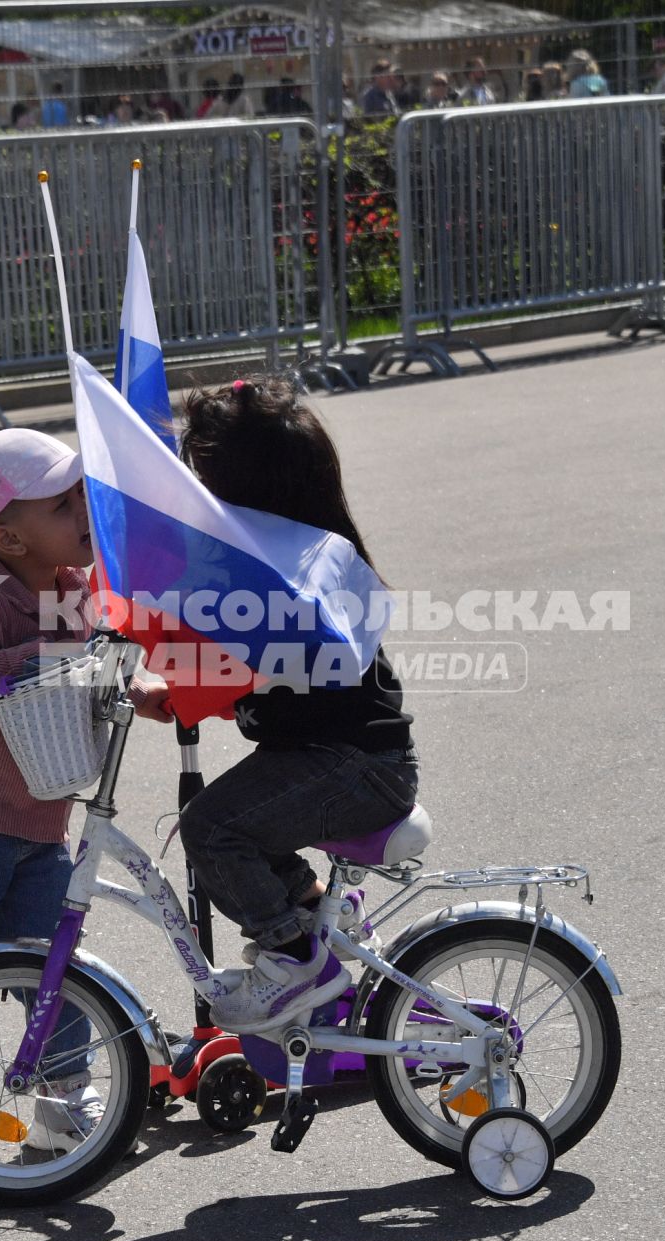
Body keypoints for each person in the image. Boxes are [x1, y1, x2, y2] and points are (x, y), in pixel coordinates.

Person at [0, 429, 168, 1158]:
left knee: (57, 960)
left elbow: (101, 658)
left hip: (40, 819)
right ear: (11, 535)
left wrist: (135, 686)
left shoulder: (76, 588)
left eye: (82, 495)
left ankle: (59, 1094)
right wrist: (63, 653)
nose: (84, 511)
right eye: (63, 503)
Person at [175, 377, 419, 1033]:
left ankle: (296, 964)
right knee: (239, 822)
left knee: (212, 829)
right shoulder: (294, 557)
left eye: (205, 484)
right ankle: (317, 911)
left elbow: (253, 663)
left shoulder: (293, 577)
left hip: (355, 767)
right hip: (351, 759)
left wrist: (184, 681)